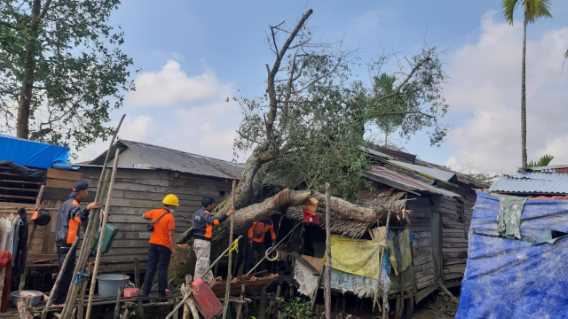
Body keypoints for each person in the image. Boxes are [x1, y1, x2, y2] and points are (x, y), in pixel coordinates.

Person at [53, 180, 99, 305]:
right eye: (86, 191)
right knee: (66, 272)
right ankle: (59, 300)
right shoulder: (74, 205)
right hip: (67, 242)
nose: (87, 193)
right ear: (81, 192)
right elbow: (78, 218)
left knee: (64, 270)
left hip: (62, 240)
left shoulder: (67, 202)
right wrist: (88, 209)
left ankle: (59, 298)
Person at [141, 194, 178, 297]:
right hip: (165, 247)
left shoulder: (155, 212)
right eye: (175, 206)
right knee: (162, 269)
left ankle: (145, 293)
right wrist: (173, 248)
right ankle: (162, 294)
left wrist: (153, 220)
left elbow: (143, 215)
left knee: (150, 268)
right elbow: (170, 235)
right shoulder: (170, 217)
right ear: (172, 206)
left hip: (153, 244)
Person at [190, 197, 232, 281]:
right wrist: (227, 214)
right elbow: (215, 222)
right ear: (209, 205)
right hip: (203, 241)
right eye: (213, 205)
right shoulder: (206, 214)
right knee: (202, 263)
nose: (213, 206)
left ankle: (208, 280)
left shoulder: (196, 213)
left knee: (202, 262)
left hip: (196, 241)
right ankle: (199, 282)